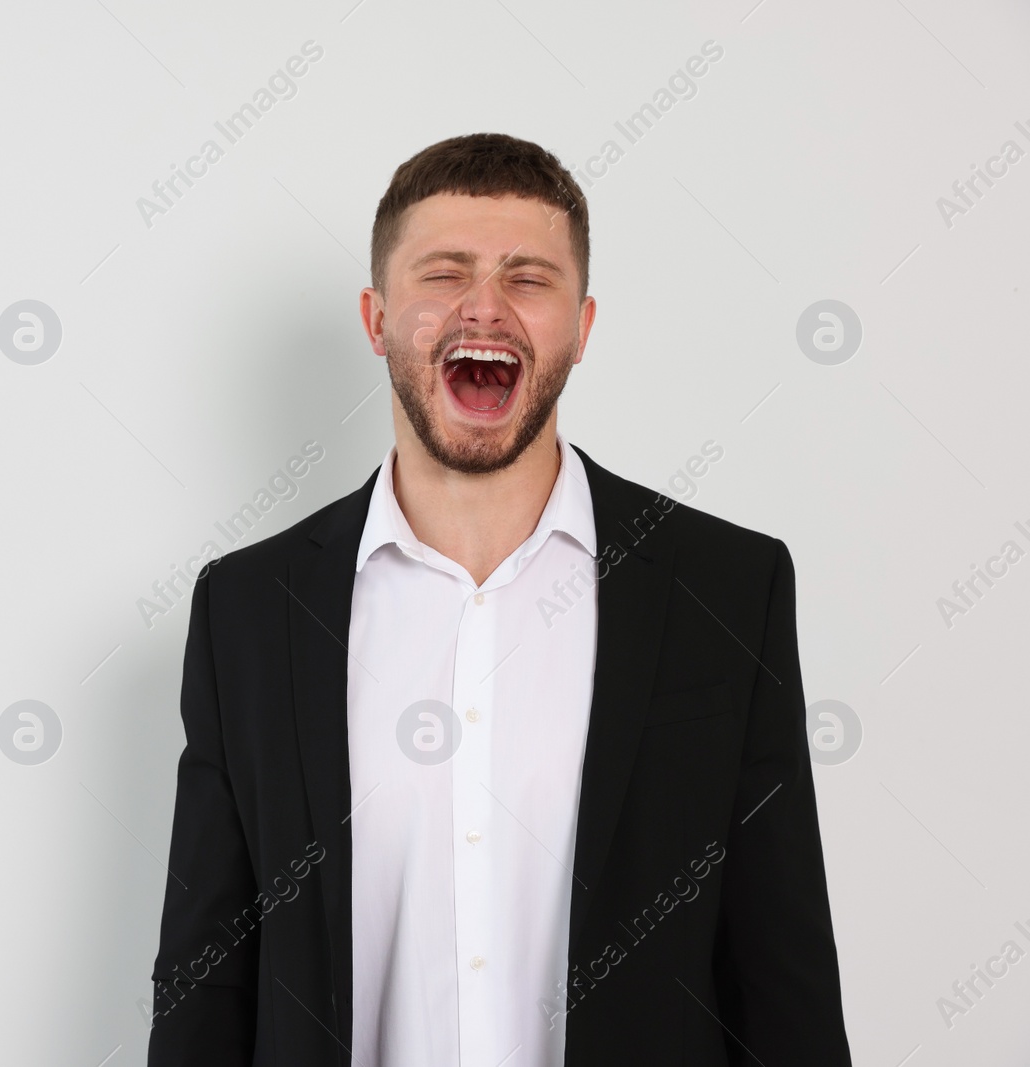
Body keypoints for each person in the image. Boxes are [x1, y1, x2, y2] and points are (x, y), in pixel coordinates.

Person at [146, 132, 852, 1066]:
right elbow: (207, 985)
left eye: (529, 278)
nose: (484, 307)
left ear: (584, 325)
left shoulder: (726, 588)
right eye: (443, 273)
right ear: (377, 316)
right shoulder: (246, 608)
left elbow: (783, 982)